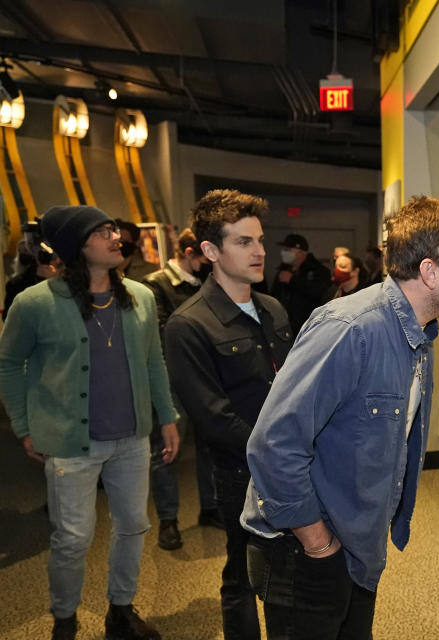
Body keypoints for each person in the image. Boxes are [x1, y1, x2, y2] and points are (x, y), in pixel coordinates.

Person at [242, 195, 439, 639]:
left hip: (355, 547)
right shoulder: (350, 329)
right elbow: (272, 445)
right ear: (431, 271)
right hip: (306, 549)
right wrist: (319, 546)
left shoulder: (418, 332)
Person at [0, 205, 179, 640]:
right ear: (77, 247)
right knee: (73, 538)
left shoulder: (139, 296)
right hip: (69, 443)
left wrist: (167, 417)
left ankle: (121, 609)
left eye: (113, 228)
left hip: (132, 439)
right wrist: (24, 426)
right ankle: (65, 617)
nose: (115, 236)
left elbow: (153, 361)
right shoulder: (35, 303)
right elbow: (9, 363)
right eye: (102, 232)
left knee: (134, 526)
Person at [165, 190, 293, 640]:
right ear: (210, 251)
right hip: (242, 471)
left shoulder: (273, 308)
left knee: (293, 574)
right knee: (241, 576)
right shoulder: (189, 325)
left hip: (292, 463)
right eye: (243, 242)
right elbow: (214, 418)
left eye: (260, 240)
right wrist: (281, 452)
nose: (259, 251)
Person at [142, 228, 219, 550]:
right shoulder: (155, 284)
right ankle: (168, 520)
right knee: (166, 452)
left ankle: (211, 509)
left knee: (209, 448)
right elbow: (164, 335)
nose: (207, 262)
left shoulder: (205, 282)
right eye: (203, 256)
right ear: (189, 253)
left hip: (205, 379)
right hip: (172, 382)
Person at [271, 233, 331, 334]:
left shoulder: (318, 270)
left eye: (288, 249)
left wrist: (292, 280)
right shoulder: (283, 270)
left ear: (300, 252)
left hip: (309, 328)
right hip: (284, 327)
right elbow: (274, 295)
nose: (283, 252)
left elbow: (319, 292)